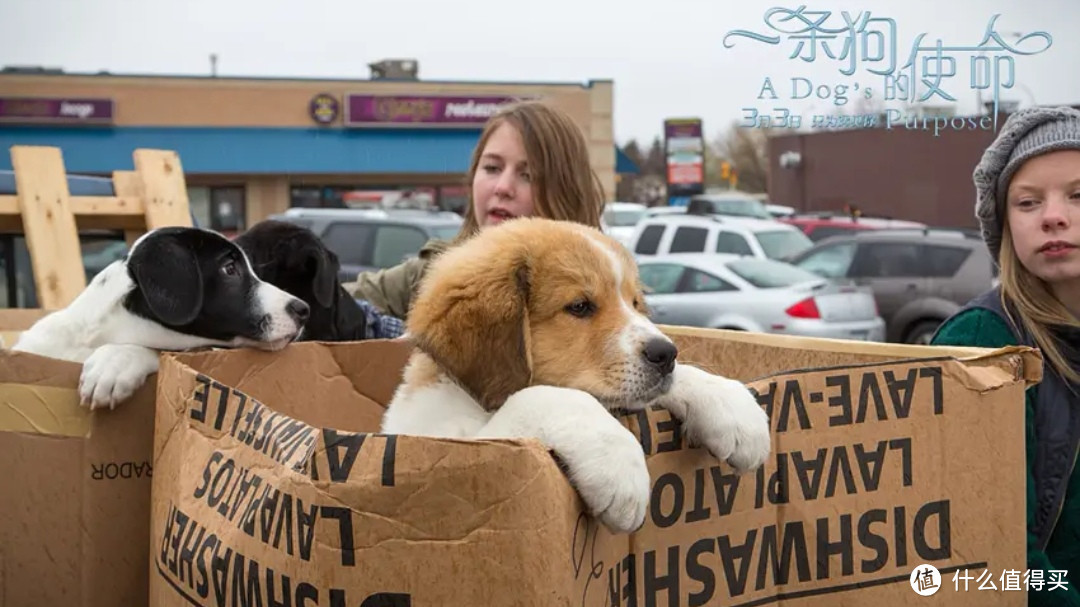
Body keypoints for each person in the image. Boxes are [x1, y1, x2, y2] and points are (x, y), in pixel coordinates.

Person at [931, 106, 1080, 605]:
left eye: (1078, 195)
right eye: (1027, 202)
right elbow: (990, 559)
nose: (1054, 215)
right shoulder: (981, 338)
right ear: (1005, 226)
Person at [341, 100, 606, 319]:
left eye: (528, 175)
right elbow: (332, 305)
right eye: (492, 168)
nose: (503, 187)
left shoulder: (609, 295)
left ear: (566, 191)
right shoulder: (429, 276)